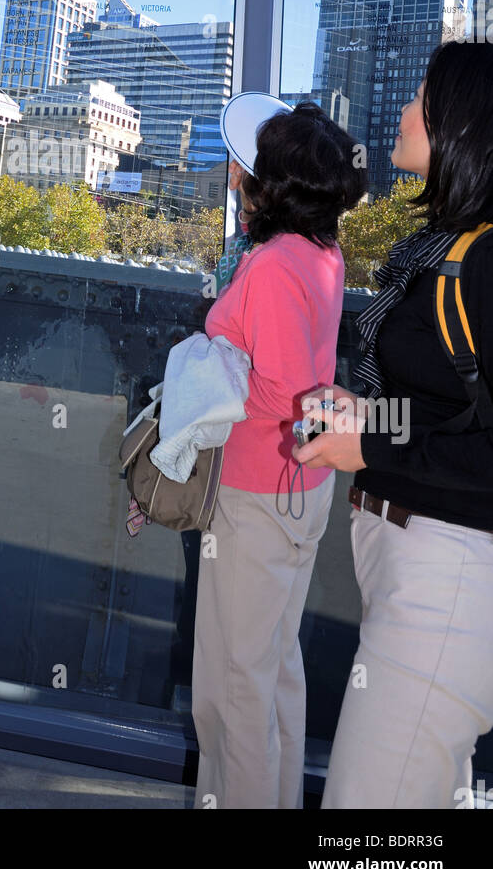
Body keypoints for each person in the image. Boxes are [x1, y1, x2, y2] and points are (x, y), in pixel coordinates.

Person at [294, 40, 493, 809]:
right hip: (412, 563)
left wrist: (370, 439)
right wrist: (369, 415)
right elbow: (458, 414)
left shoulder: (481, 260)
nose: (403, 111)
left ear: (465, 125)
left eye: (420, 98)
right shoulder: (447, 245)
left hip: (449, 577)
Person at [192, 97, 366, 809]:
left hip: (257, 493)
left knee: (232, 690)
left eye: (250, 170)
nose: (239, 179)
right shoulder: (321, 254)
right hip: (296, 494)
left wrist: (209, 379)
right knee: (270, 677)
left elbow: (288, 395)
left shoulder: (271, 265)